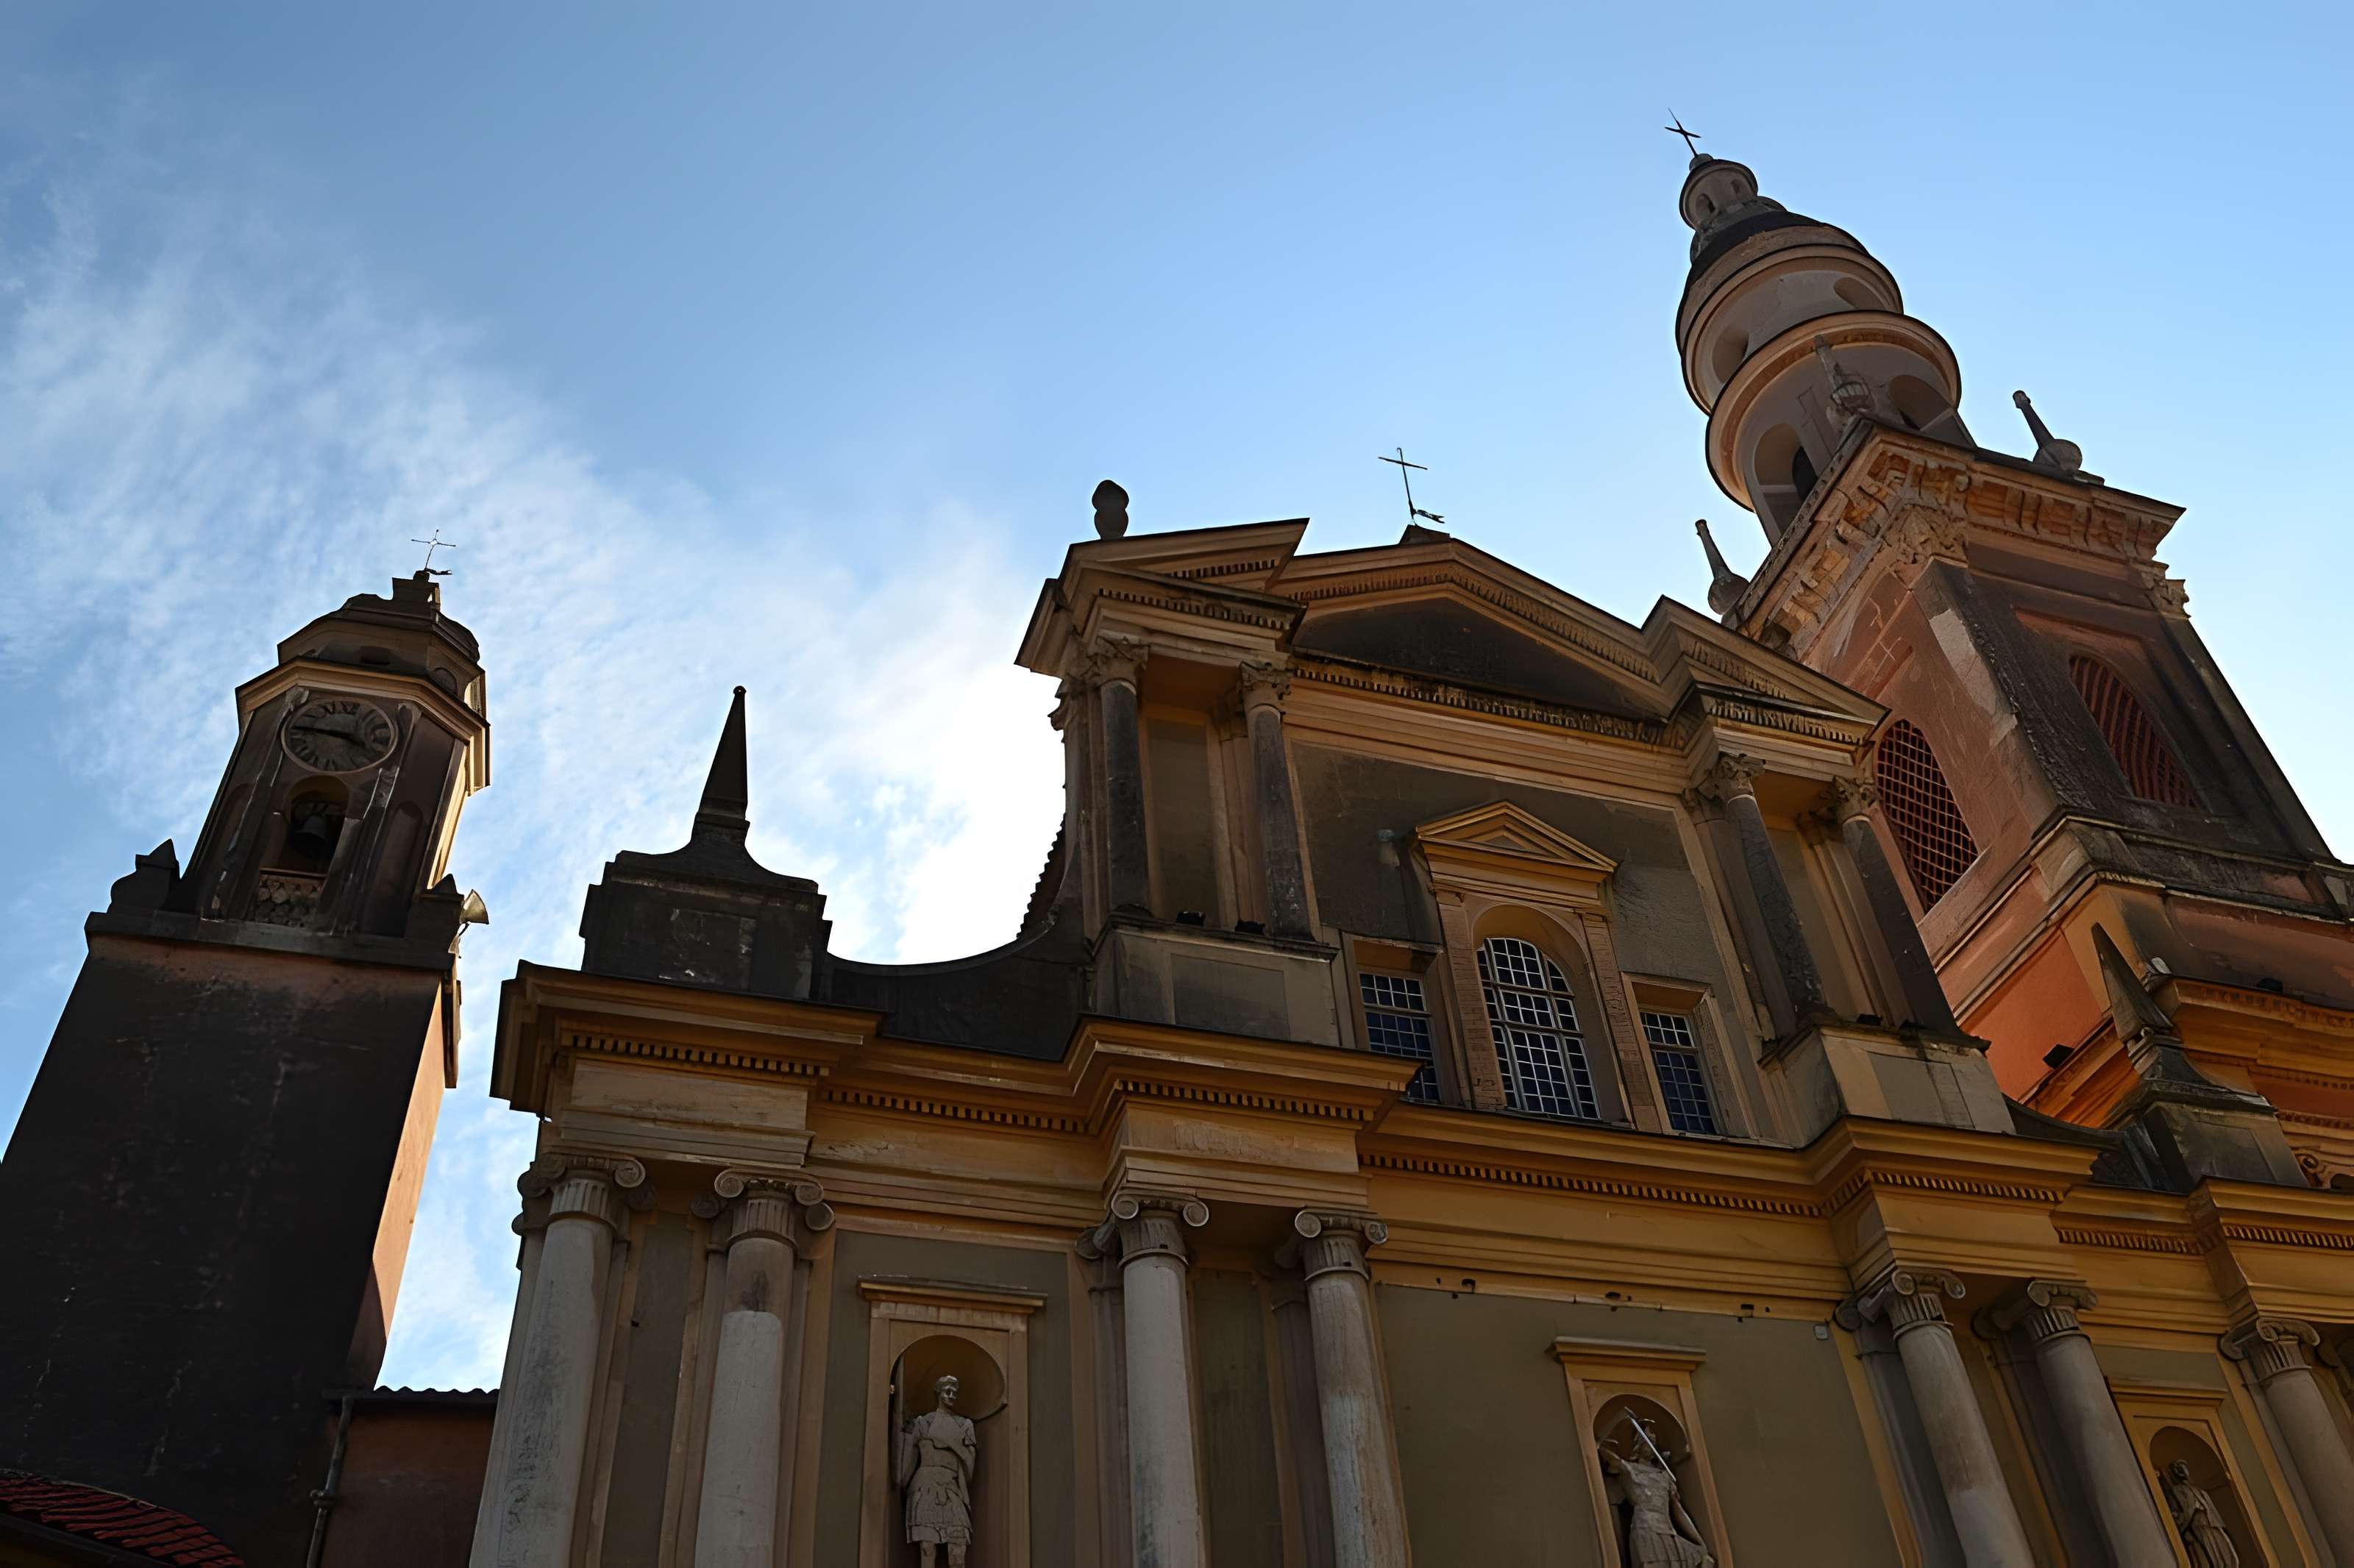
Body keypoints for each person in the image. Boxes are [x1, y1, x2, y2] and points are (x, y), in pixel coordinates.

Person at [1599, 1419, 1714, 1568]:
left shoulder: (1664, 1476)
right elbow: (1611, 1458)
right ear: (1638, 1446)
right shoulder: (1630, 1470)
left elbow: (1678, 1511)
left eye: (1653, 1442)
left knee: (1703, 1559)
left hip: (1668, 1531)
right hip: (1647, 1529)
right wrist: (1601, 1443)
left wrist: (1701, 1543)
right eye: (1647, 1441)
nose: (1651, 1445)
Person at [895, 1372, 977, 1567]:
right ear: (938, 1393)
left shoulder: (965, 1425)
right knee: (927, 1547)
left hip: (952, 1488)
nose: (951, 1396)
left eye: (955, 1392)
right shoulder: (922, 1423)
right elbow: (907, 1465)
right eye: (947, 1391)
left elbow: (969, 1464)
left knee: (958, 1547)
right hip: (925, 1488)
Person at [2166, 1459, 2239, 1568]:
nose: (2183, 1471)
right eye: (2179, 1468)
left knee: (2227, 1553)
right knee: (2214, 1556)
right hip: (2199, 1524)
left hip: (2213, 1523)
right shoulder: (2178, 1489)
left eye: (2183, 1467)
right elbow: (2185, 1508)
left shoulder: (2198, 1489)